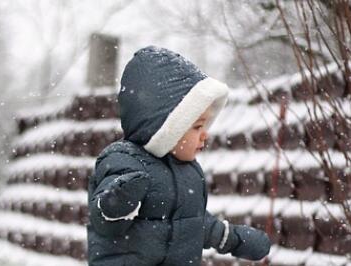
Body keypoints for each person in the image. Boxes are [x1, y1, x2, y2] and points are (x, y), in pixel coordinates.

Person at [87, 46, 271, 266]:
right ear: (167, 128)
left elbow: (192, 225)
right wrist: (118, 202)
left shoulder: (188, 172)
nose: (205, 135)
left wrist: (231, 238)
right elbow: (104, 222)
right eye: (197, 127)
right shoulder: (123, 160)